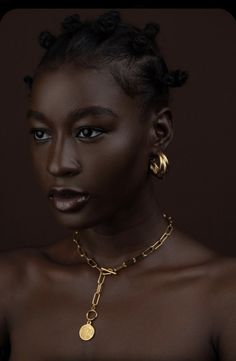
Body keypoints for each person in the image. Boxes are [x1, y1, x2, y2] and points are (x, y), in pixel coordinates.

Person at [0, 9, 235, 361]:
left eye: (88, 132)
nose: (58, 163)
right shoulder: (10, 285)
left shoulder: (223, 297)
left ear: (159, 132)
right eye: (41, 133)